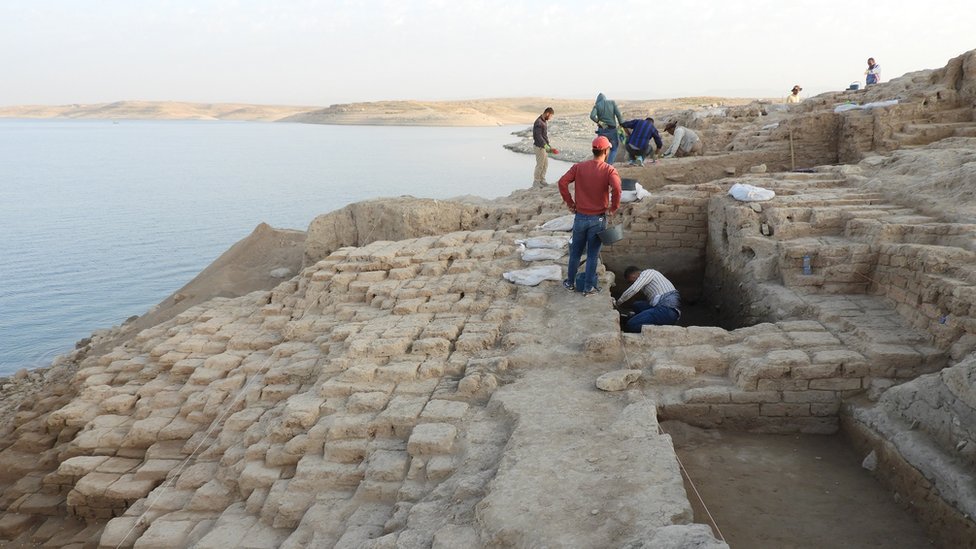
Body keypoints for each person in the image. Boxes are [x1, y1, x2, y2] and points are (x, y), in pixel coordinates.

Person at [558, 135, 622, 296]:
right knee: (593, 254)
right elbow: (617, 189)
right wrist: (613, 208)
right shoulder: (609, 170)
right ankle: (588, 287)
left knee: (576, 252)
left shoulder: (579, 167)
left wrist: (570, 203)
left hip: (580, 217)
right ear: (606, 151)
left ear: (593, 150)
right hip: (598, 219)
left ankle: (570, 283)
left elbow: (562, 182)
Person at [615, 266, 681, 332]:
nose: (632, 283)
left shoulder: (648, 272)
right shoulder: (646, 285)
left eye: (631, 281)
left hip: (667, 310)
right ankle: (634, 318)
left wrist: (618, 302)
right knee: (637, 305)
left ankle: (663, 330)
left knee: (631, 324)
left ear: (633, 275)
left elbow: (633, 289)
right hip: (660, 308)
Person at [589, 93, 625, 165]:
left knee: (600, 149)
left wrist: (600, 122)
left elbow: (592, 116)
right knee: (614, 149)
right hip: (612, 130)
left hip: (602, 130)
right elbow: (618, 115)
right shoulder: (612, 103)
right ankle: (608, 165)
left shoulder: (597, 105)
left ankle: (600, 165)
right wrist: (621, 124)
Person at [533, 107, 555, 186]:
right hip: (539, 147)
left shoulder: (543, 121)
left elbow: (544, 136)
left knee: (545, 164)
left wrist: (549, 146)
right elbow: (538, 136)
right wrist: (545, 145)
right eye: (551, 116)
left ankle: (542, 179)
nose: (550, 118)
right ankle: (536, 181)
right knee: (540, 165)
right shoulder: (539, 123)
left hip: (543, 147)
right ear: (547, 113)